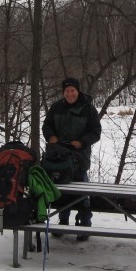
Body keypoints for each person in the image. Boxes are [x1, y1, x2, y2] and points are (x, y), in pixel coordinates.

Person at [42, 77, 102, 235]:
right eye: (67, 91)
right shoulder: (56, 107)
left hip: (79, 158)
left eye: (72, 90)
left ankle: (84, 224)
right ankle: (63, 221)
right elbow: (47, 125)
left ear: (78, 91)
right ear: (63, 92)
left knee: (81, 192)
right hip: (59, 158)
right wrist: (51, 137)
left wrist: (81, 142)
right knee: (61, 191)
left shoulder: (88, 109)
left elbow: (95, 132)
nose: (70, 94)